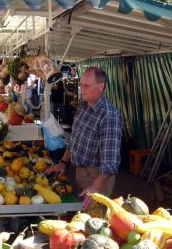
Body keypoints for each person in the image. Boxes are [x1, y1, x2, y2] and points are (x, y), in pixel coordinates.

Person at [46, 67, 122, 209]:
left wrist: (94, 188)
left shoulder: (108, 115)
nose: (81, 89)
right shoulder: (82, 107)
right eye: (81, 84)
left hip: (97, 177)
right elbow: (74, 140)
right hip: (79, 171)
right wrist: (63, 162)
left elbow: (110, 163)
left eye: (86, 85)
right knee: (78, 215)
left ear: (101, 86)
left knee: (93, 220)